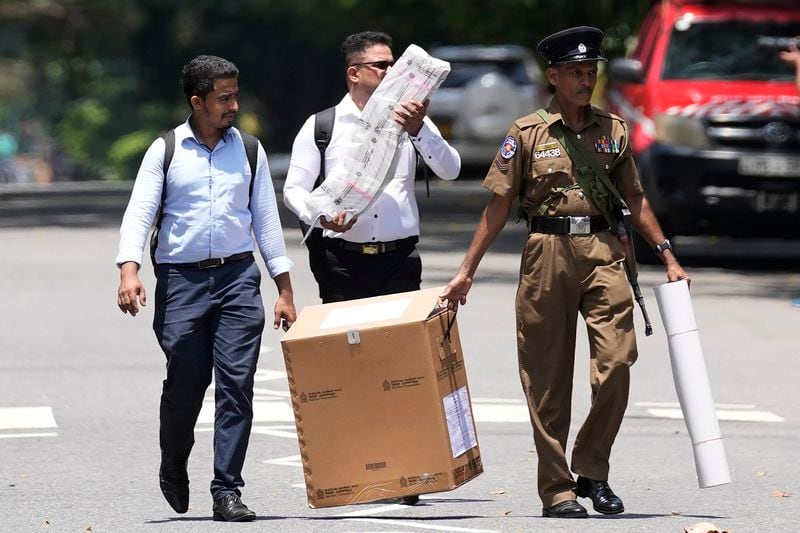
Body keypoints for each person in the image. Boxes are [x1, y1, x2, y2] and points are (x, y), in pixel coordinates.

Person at [440, 27, 689, 519]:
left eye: (590, 71)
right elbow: (498, 205)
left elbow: (634, 198)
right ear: (553, 76)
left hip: (603, 249)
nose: (584, 79)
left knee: (618, 360)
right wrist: (466, 271)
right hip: (546, 252)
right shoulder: (527, 133)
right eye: (575, 72)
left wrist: (666, 254)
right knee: (546, 378)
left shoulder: (613, 130)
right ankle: (557, 488)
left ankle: (593, 468)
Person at [115, 55, 296, 522]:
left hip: (238, 279)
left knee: (237, 385)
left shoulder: (249, 151)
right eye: (223, 98)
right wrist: (129, 271)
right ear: (197, 102)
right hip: (181, 282)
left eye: (235, 95)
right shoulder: (166, 149)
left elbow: (267, 223)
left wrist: (284, 288)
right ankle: (173, 461)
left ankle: (227, 490)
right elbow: (139, 213)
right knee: (186, 384)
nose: (233, 105)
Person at [284, 31, 461, 304]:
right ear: (354, 74)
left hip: (400, 260)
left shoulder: (412, 119)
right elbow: (294, 189)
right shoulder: (322, 125)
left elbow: (451, 170)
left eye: (394, 65)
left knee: (398, 346)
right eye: (381, 66)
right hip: (341, 262)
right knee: (348, 344)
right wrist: (320, 216)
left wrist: (418, 130)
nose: (391, 72)